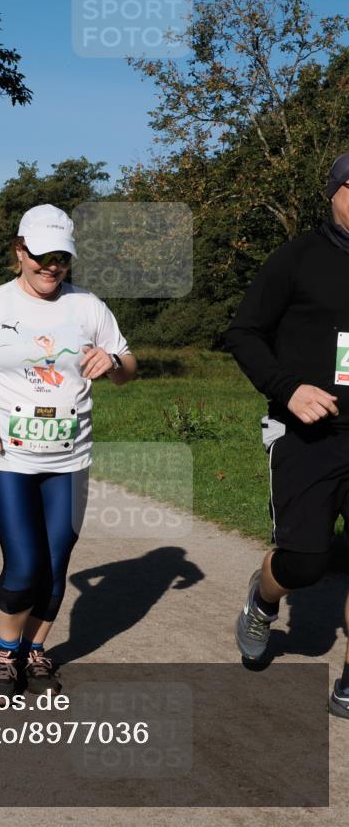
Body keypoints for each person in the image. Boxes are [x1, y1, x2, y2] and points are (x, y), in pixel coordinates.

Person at [0, 204, 137, 694]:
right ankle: (6, 653)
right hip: (7, 454)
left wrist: (112, 361)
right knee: (25, 563)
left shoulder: (88, 306)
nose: (53, 266)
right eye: (43, 255)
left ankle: (35, 651)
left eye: (62, 258)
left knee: (56, 562)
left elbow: (129, 370)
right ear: (20, 251)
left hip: (70, 457)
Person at [226, 151, 349, 718]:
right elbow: (244, 333)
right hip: (308, 435)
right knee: (305, 562)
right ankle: (263, 597)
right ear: (335, 192)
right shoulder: (298, 258)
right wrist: (289, 387)